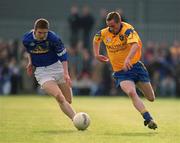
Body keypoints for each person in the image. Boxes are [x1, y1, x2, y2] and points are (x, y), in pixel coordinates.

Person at [93, 12, 158, 130]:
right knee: (131, 93)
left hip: (136, 67)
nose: (110, 29)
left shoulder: (128, 30)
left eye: (113, 26)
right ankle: (148, 118)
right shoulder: (104, 32)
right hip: (121, 72)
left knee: (151, 98)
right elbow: (96, 39)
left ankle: (137, 83)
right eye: (108, 26)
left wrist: (128, 58)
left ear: (119, 22)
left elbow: (135, 46)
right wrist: (97, 54)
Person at [22, 18, 76, 121]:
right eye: (40, 32)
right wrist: (30, 62)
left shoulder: (54, 38)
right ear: (34, 30)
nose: (42, 35)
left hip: (57, 67)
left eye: (45, 33)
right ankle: (76, 119)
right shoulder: (27, 39)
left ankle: (74, 116)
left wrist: (66, 74)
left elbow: (63, 56)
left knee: (68, 100)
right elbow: (29, 50)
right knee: (59, 97)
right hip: (42, 72)